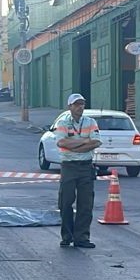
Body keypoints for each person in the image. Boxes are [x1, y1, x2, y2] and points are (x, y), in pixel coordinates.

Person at [54, 93, 101, 249]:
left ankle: (82, 237)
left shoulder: (90, 122)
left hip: (86, 166)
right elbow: (61, 142)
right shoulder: (62, 122)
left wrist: (74, 144)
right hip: (68, 166)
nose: (80, 107)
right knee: (65, 202)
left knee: (86, 204)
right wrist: (84, 141)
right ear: (70, 106)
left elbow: (95, 142)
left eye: (82, 103)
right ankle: (66, 236)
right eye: (77, 104)